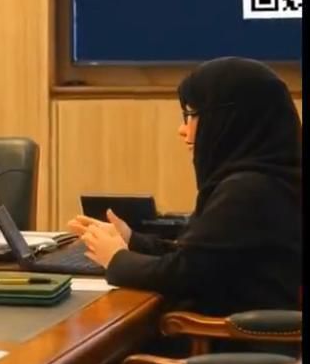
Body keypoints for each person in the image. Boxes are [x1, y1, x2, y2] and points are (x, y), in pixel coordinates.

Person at [68, 57, 302, 316]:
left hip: (222, 336)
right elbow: (201, 259)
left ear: (231, 120)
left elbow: (182, 276)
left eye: (191, 115)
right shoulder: (270, 178)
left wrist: (116, 259)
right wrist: (131, 239)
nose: (182, 129)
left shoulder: (247, 191)